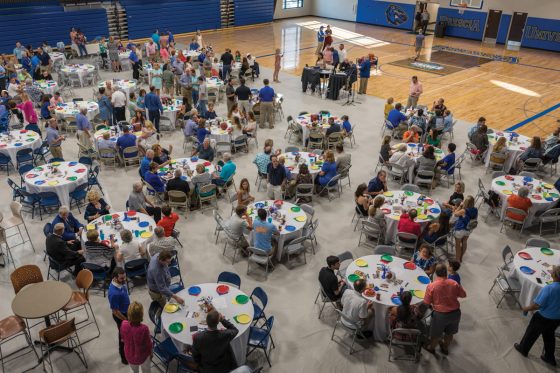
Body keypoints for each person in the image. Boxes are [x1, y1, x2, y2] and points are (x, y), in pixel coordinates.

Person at [514, 265, 560, 366]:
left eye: (552, 271)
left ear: (555, 275)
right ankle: (549, 357)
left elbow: (537, 305)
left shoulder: (549, 288)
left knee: (531, 333)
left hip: (543, 317)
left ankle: (523, 349)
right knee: (549, 336)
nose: (551, 272)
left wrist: (526, 308)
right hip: (557, 319)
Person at [424, 263, 467, 355]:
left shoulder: (432, 286)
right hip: (455, 313)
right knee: (449, 333)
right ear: (446, 272)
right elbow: (463, 295)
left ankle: (431, 348)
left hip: (440, 315)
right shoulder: (454, 283)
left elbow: (427, 303)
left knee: (436, 335)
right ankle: (445, 347)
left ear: (436, 273)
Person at [120, 302, 153, 373]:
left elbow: (123, 339)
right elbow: (148, 344)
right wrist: (151, 353)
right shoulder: (144, 329)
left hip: (129, 355)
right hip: (143, 355)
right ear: (141, 315)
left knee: (133, 370)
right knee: (146, 370)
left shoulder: (123, 324)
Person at [108, 267, 131, 365]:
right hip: (121, 316)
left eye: (125, 277)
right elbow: (115, 311)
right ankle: (124, 358)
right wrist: (126, 320)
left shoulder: (120, 283)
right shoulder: (113, 293)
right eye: (122, 278)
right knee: (122, 338)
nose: (124, 280)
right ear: (115, 278)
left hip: (126, 311)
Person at [453, 195, 478, 263]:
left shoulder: (464, 210)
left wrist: (460, 206)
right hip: (469, 229)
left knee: (458, 245)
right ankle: (461, 257)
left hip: (460, 229)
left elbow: (455, 214)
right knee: (464, 242)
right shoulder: (475, 210)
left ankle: (457, 259)